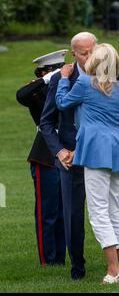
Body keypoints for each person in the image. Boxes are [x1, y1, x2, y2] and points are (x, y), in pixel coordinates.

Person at [39, 32, 119, 281]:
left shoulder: (82, 83)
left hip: (92, 152)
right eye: (85, 52)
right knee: (109, 211)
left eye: (93, 52)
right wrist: (60, 151)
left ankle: (114, 269)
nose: (89, 56)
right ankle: (117, 269)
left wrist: (62, 79)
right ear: (75, 54)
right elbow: (47, 122)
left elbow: (62, 103)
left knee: (100, 213)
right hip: (111, 152)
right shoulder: (118, 85)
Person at [16, 50, 67, 266]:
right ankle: (48, 260)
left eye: (59, 69)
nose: (57, 73)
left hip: (67, 151)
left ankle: (62, 259)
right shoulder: (38, 91)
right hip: (45, 154)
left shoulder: (67, 87)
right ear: (43, 72)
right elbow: (21, 95)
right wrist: (45, 80)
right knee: (47, 211)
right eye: (52, 71)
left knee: (65, 212)